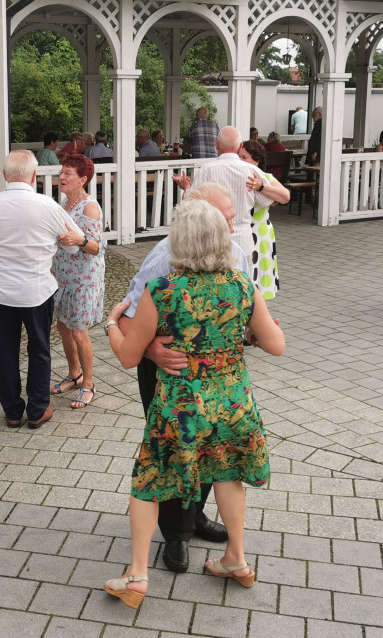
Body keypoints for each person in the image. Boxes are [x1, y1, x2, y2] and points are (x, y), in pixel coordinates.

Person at [102, 200, 285, 609]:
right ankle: (236, 559)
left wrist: (113, 322)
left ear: (179, 242)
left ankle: (137, 574)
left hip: (180, 406)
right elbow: (276, 344)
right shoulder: (243, 286)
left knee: (149, 481)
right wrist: (248, 334)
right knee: (228, 474)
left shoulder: (162, 291)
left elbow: (128, 356)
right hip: (232, 402)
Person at [116, 183, 251, 573]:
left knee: (208, 448)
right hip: (169, 373)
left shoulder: (236, 252)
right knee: (174, 451)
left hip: (214, 375)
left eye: (231, 218)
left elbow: (239, 313)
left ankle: (194, 516)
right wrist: (151, 350)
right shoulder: (164, 257)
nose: (232, 226)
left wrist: (250, 334)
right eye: (225, 219)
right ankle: (176, 534)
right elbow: (128, 318)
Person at [0, 150, 83, 429]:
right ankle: (37, 409)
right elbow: (73, 243)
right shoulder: (48, 205)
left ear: (5, 175)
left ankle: (12, 411)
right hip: (37, 289)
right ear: (34, 175)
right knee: (39, 349)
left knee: (5, 350)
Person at [174, 126, 289, 260]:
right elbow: (274, 200)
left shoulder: (206, 170)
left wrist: (187, 188)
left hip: (213, 242)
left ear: (216, 145)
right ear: (240, 146)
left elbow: (189, 206)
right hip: (243, 241)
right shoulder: (252, 170)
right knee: (243, 274)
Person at [50, 155, 106, 408]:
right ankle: (75, 374)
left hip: (84, 279)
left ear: (83, 180)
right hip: (63, 276)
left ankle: (89, 384)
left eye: (68, 173)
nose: (62, 177)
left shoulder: (89, 207)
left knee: (79, 332)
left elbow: (97, 248)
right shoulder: (64, 202)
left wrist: (80, 240)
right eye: (62, 172)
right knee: (63, 326)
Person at [240, 139, 281, 300]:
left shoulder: (266, 178)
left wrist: (263, 188)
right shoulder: (235, 176)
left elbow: (283, 196)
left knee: (260, 280)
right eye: (238, 157)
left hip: (260, 232)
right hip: (241, 232)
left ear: (256, 161)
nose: (240, 161)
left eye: (244, 157)